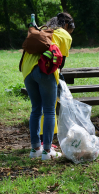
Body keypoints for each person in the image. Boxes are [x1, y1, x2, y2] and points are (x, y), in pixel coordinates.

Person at [20, 12, 75, 160]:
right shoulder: (64, 35)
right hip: (44, 70)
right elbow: (60, 63)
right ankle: (47, 151)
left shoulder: (43, 30)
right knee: (50, 110)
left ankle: (35, 149)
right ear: (66, 25)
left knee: (36, 110)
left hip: (27, 71)